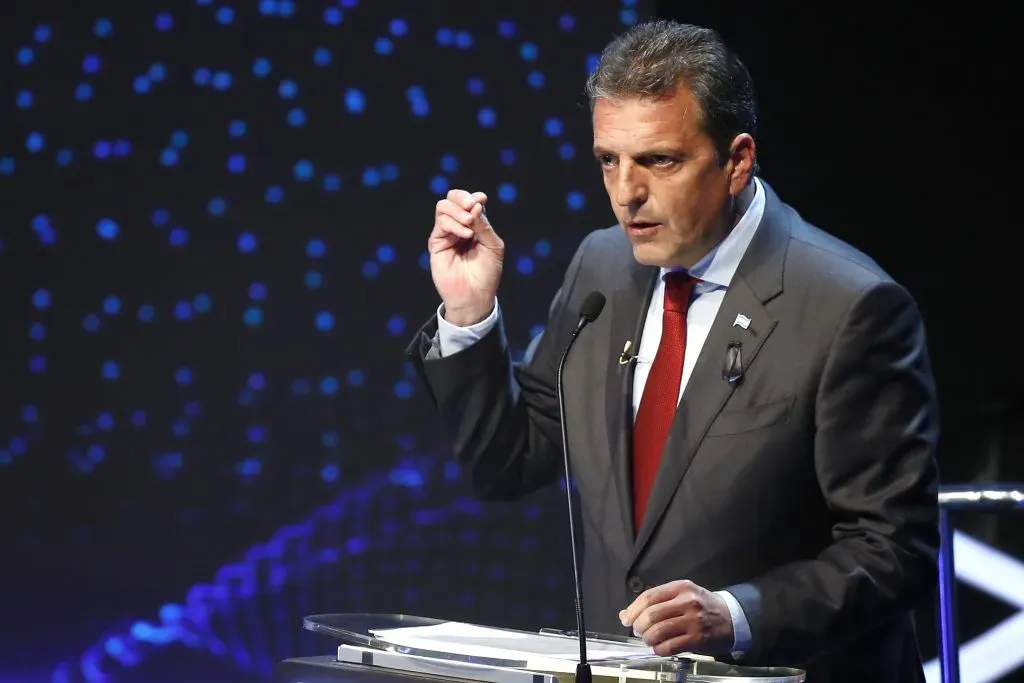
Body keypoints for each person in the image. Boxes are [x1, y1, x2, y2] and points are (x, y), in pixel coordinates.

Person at [406, 19, 940, 682]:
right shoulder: (602, 267)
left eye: (659, 160)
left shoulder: (849, 306)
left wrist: (735, 614)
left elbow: (894, 549)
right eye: (609, 160)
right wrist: (470, 312)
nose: (627, 192)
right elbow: (510, 461)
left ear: (736, 160)